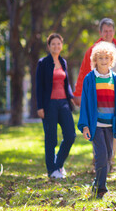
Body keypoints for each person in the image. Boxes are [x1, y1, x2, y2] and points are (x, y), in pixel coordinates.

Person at [73, 18, 116, 167]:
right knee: (97, 124)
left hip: (115, 93)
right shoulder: (93, 50)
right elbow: (83, 72)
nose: (108, 33)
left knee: (115, 124)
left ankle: (110, 159)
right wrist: (78, 93)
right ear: (100, 32)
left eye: (110, 30)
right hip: (97, 94)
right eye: (105, 31)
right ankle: (99, 158)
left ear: (114, 31)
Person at [77, 41, 116, 199]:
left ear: (111, 60)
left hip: (110, 125)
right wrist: (85, 126)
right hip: (96, 125)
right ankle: (101, 188)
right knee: (100, 155)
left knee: (109, 155)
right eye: (100, 58)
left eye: (106, 58)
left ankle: (97, 182)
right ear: (95, 60)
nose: (104, 61)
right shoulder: (90, 79)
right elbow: (85, 104)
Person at [36, 33, 76, 179]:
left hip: (64, 103)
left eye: (58, 43)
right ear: (49, 46)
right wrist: (40, 107)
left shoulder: (63, 62)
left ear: (62, 45)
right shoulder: (43, 63)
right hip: (49, 104)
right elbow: (39, 86)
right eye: (53, 44)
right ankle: (52, 170)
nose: (56, 46)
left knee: (70, 135)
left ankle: (58, 164)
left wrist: (72, 98)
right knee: (51, 138)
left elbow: (67, 84)